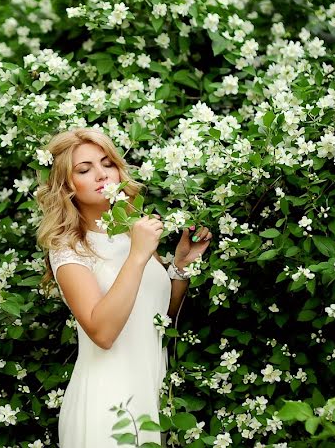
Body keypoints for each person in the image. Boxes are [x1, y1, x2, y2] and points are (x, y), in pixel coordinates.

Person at [36, 127, 212, 447]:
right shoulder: (68, 249)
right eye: (85, 170)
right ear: (67, 186)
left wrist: (181, 267)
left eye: (108, 163)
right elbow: (103, 332)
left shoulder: (133, 233)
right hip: (108, 407)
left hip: (148, 398)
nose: (102, 174)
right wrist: (138, 256)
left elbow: (156, 314)